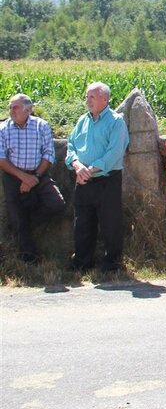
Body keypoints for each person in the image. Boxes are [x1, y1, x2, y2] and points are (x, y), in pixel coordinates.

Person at [65, 82, 129, 273]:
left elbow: (114, 153)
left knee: (111, 223)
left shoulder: (116, 122)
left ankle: (112, 265)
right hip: (83, 179)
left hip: (107, 179)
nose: (88, 100)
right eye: (87, 96)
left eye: (92, 97)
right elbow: (71, 146)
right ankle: (82, 263)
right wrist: (77, 165)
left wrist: (90, 169)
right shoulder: (82, 121)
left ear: (105, 99)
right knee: (82, 222)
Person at [0, 94, 65, 263]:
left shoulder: (41, 126)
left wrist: (34, 177)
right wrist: (23, 178)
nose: (11, 111)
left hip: (39, 174)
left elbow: (49, 154)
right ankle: (29, 259)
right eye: (10, 107)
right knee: (17, 218)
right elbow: (1, 159)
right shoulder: (3, 129)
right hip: (13, 176)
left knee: (56, 204)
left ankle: (29, 220)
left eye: (15, 107)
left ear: (27, 110)